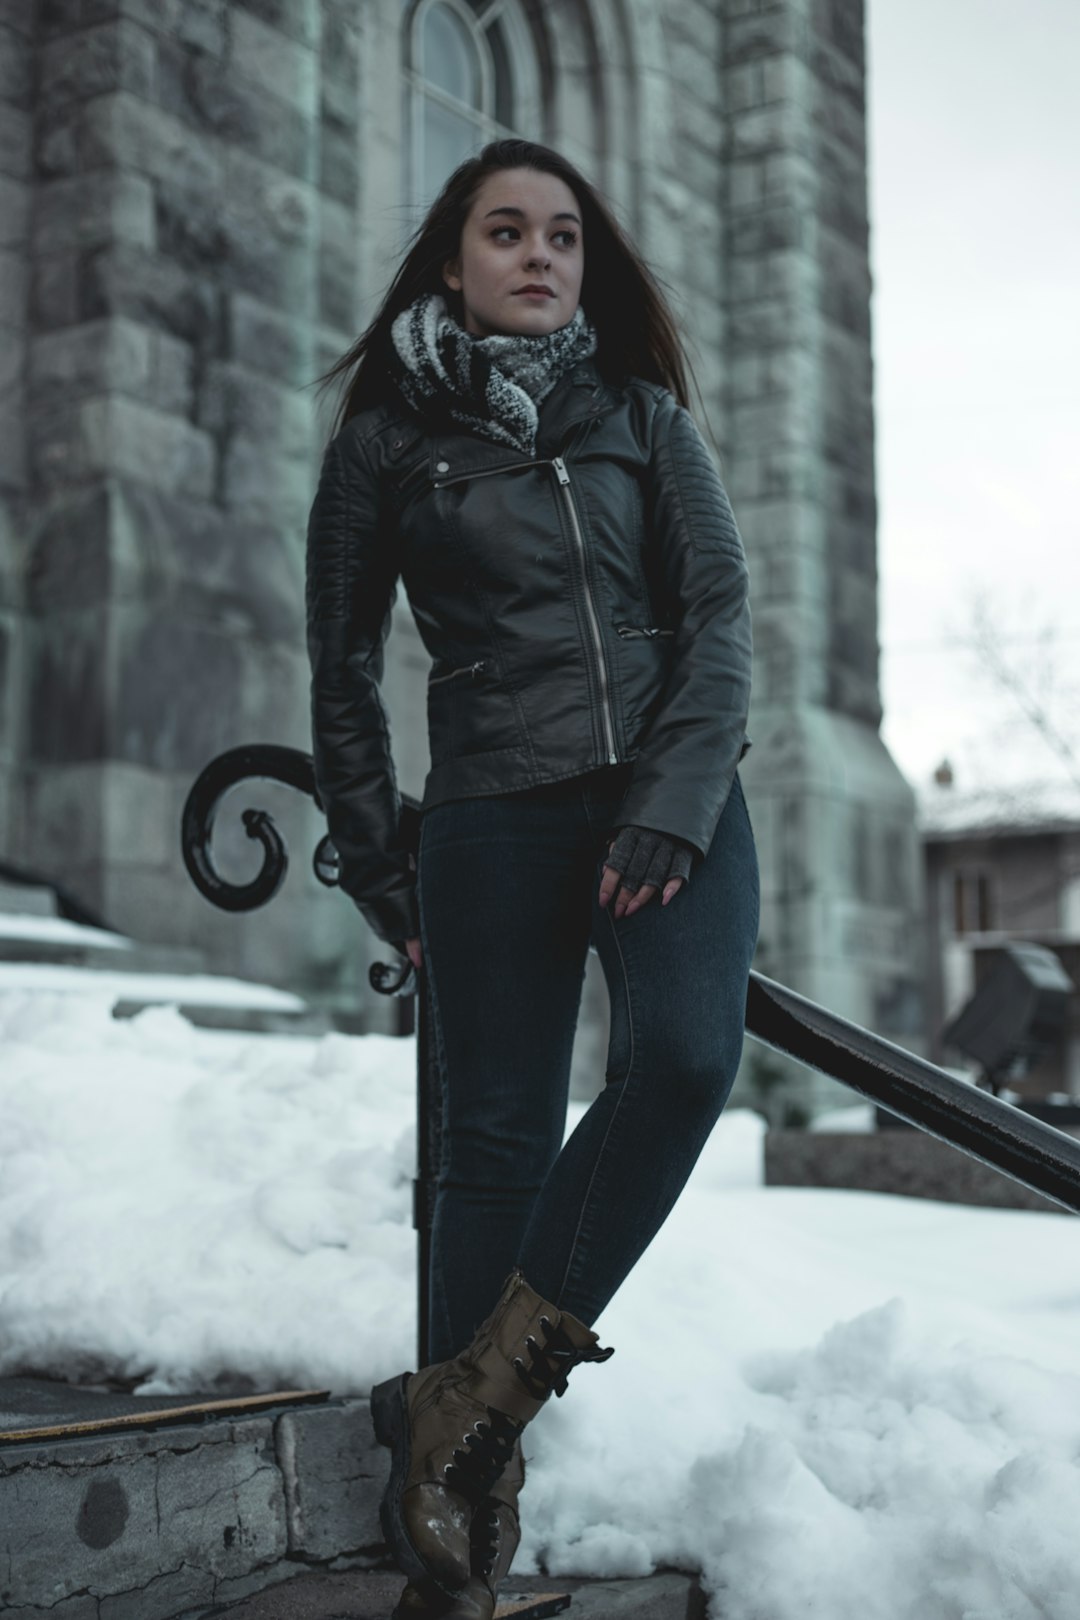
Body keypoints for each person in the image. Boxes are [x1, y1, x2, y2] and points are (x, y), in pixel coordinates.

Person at [305, 138, 759, 1620]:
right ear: (454, 259)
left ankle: (467, 1412)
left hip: (663, 807)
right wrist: (386, 870)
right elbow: (344, 670)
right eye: (505, 231)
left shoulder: (639, 416)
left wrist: (675, 806)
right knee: (490, 1144)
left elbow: (718, 616)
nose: (539, 254)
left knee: (685, 1057)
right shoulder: (383, 441)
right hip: (490, 814)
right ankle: (457, 1546)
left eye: (562, 233)